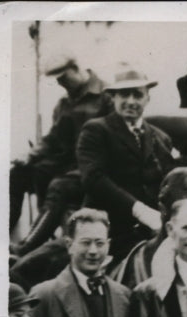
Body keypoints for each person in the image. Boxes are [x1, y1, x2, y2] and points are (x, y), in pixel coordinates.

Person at [10, 53, 111, 257]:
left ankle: (26, 247)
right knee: (19, 173)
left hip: (92, 165)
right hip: (67, 164)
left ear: (76, 69)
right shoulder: (65, 103)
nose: (60, 84)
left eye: (63, 78)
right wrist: (30, 156)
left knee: (59, 186)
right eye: (57, 80)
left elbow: (113, 141)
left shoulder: (106, 96)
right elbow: (54, 139)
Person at [75, 65, 177, 261]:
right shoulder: (96, 130)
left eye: (137, 95)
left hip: (151, 233)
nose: (131, 101)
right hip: (105, 231)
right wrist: (140, 211)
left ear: (148, 98)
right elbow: (94, 179)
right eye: (124, 95)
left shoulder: (161, 138)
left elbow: (169, 183)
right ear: (113, 98)